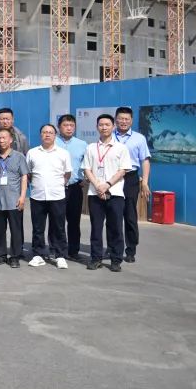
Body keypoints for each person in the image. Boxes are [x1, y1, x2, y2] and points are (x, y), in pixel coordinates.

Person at [81, 114, 133, 272]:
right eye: (101, 124)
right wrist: (98, 186)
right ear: (97, 127)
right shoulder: (91, 147)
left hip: (115, 193)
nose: (104, 127)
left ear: (113, 126)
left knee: (115, 227)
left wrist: (107, 185)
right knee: (96, 228)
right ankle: (96, 258)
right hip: (95, 193)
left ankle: (116, 259)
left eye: (107, 124)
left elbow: (123, 170)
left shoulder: (121, 148)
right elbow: (87, 169)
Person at [26, 124, 73, 269]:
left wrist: (58, 184)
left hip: (57, 196)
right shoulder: (32, 152)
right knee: (38, 228)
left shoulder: (63, 153)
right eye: (44, 132)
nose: (47, 135)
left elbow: (67, 173)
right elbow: (29, 173)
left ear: (55, 135)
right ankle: (38, 254)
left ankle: (60, 255)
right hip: (37, 196)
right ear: (40, 135)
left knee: (58, 227)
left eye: (50, 132)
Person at [113, 106, 151, 263]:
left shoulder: (139, 138)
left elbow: (145, 160)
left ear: (131, 121)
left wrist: (145, 182)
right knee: (113, 215)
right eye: (120, 119)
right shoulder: (109, 136)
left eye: (126, 119)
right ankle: (113, 248)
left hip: (130, 178)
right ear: (116, 120)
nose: (123, 121)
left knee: (129, 215)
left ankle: (130, 250)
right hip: (112, 178)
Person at [0, 128, 29, 267]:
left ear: (11, 140)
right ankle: (0, 255)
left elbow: (24, 177)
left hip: (14, 200)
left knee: (16, 230)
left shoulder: (19, 156)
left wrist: (22, 197)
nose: (1, 140)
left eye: (4, 138)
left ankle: (15, 256)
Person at [55, 114, 88, 259]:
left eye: (72, 125)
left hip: (75, 187)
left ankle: (73, 250)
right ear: (59, 127)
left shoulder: (82, 144)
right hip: (56, 187)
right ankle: (57, 249)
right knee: (57, 220)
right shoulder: (53, 142)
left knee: (74, 220)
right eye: (65, 125)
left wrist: (84, 178)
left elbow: (87, 164)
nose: (69, 128)